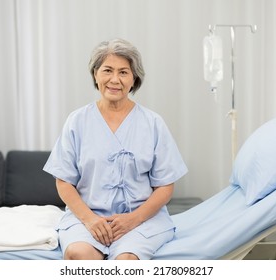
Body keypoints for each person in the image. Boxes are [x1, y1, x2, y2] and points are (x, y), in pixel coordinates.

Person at [43, 38, 188, 260]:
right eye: (107, 70)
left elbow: (165, 186)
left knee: (126, 261)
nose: (114, 79)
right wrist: (90, 219)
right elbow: (63, 181)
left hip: (142, 218)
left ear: (134, 79)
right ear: (95, 74)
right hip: (87, 216)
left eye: (123, 72)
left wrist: (134, 219)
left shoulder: (153, 123)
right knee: (78, 253)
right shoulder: (77, 121)